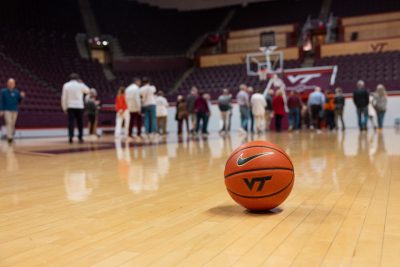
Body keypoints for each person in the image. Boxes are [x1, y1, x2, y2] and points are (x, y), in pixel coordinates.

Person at [61, 73, 90, 143]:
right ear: (77, 79)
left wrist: (64, 107)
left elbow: (64, 98)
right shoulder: (80, 85)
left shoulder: (66, 85)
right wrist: (83, 83)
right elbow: (88, 91)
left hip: (70, 106)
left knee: (71, 122)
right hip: (79, 106)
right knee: (80, 122)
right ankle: (80, 137)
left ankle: (70, 137)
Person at [0, 78, 25, 144]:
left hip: (14, 110)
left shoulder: (17, 92)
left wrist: (22, 97)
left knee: (12, 124)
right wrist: (1, 110)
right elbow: (1, 101)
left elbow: (19, 101)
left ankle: (10, 137)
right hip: (6, 110)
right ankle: (10, 139)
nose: (11, 84)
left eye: (13, 83)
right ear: (7, 84)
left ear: (14, 84)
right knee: (9, 123)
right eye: (10, 83)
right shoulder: (3, 91)